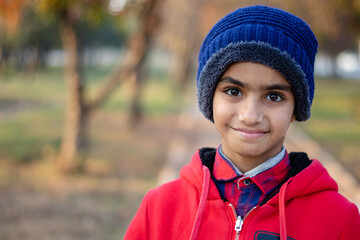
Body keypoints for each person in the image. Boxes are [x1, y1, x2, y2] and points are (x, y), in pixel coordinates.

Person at [124, 5, 360, 240]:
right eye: (234, 91)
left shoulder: (339, 219)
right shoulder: (159, 209)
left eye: (273, 96)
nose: (250, 115)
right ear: (210, 98)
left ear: (295, 109)